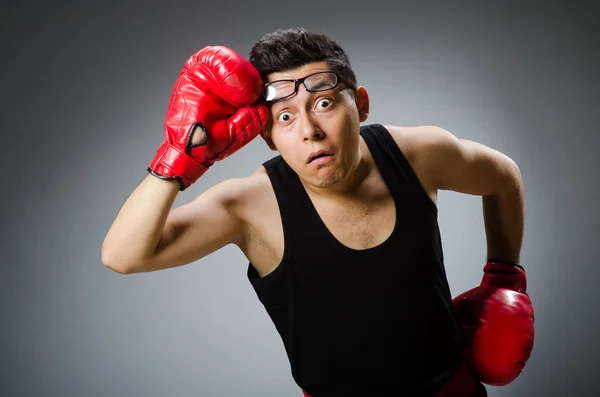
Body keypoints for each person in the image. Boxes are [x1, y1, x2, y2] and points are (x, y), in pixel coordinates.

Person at [102, 28, 534, 397]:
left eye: (324, 104)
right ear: (267, 138)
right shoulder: (249, 206)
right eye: (285, 116)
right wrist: (179, 157)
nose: (309, 131)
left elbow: (503, 177)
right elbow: (123, 256)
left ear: (360, 105)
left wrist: (502, 281)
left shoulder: (419, 154)